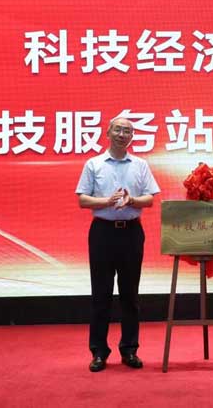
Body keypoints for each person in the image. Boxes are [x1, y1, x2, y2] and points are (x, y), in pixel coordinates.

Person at [75, 117, 160, 372]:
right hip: (102, 232)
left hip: (131, 232)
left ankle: (130, 349)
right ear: (108, 132)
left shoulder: (140, 165)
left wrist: (132, 200)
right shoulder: (94, 164)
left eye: (128, 131)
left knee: (130, 295)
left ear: (132, 136)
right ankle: (99, 352)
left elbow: (149, 199)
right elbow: (83, 200)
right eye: (118, 130)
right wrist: (107, 201)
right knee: (101, 294)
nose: (123, 134)